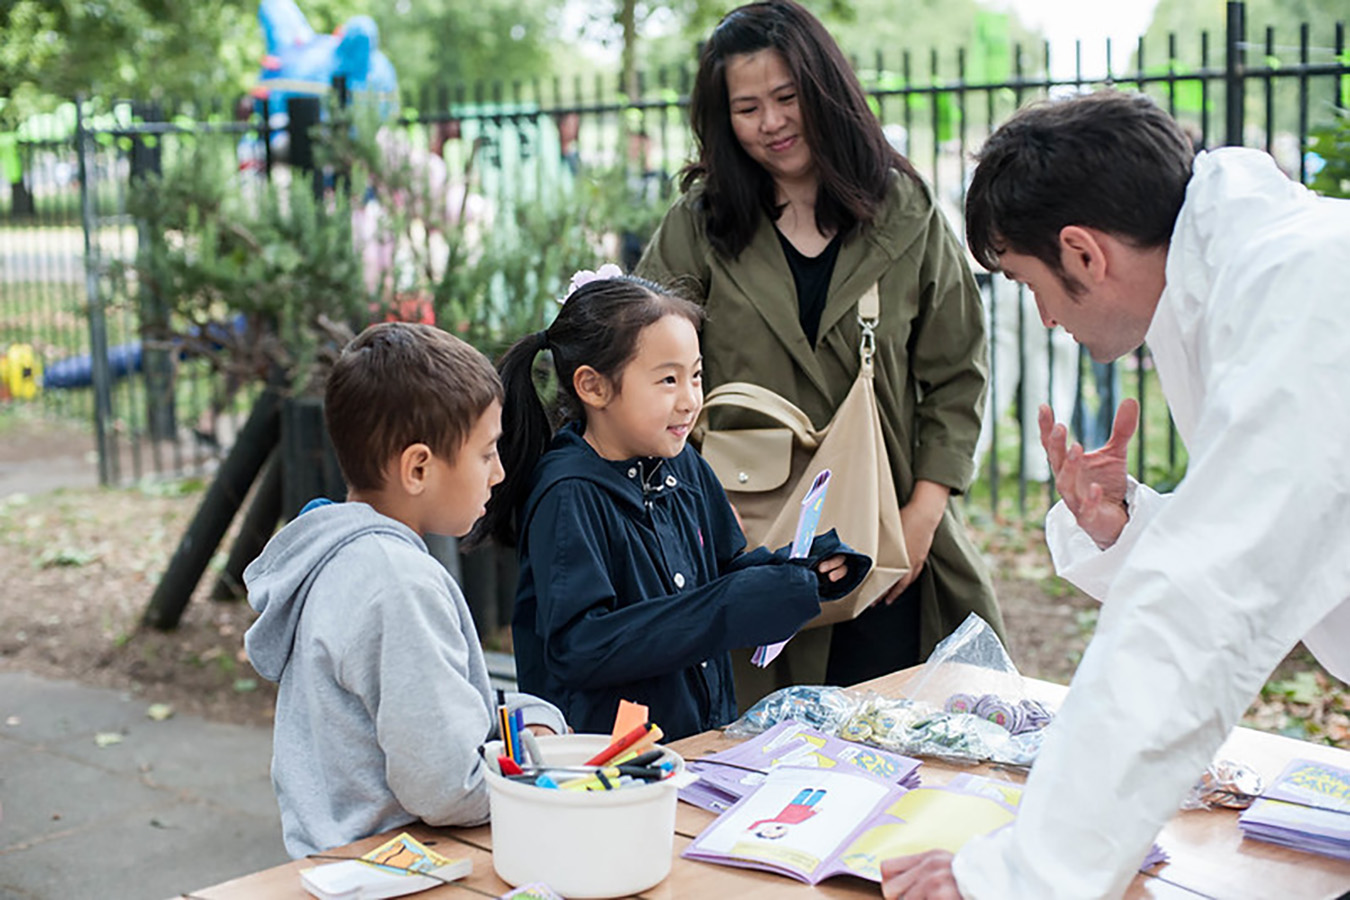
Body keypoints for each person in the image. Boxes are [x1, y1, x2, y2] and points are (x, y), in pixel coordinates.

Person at [880, 90, 1350, 900]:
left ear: (1084, 253)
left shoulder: (1298, 285)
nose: (1047, 318)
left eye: (1032, 284)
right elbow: (1293, 538)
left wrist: (1026, 872)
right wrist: (1126, 528)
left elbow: (1202, 607)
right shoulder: (1238, 277)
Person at [634, 0, 1002, 701]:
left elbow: (958, 375)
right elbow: (644, 363)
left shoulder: (906, 214)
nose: (771, 123)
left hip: (888, 533)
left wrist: (923, 516)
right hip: (747, 537)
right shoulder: (700, 226)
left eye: (786, 96)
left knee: (903, 744)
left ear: (825, 90)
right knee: (760, 750)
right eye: (746, 108)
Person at [472, 270, 872, 741]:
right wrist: (730, 607)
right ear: (593, 387)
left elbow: (721, 575)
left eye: (697, 376)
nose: (690, 401)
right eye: (667, 380)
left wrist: (794, 571)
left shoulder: (684, 465)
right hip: (609, 768)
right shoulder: (568, 493)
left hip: (698, 740)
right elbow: (580, 648)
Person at [243, 322, 567, 859]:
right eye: (486, 454)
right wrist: (542, 752)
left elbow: (431, 719)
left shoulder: (342, 556)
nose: (499, 472)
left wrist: (524, 718)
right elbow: (450, 787)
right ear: (418, 467)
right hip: (401, 865)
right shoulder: (398, 583)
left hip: (336, 862)